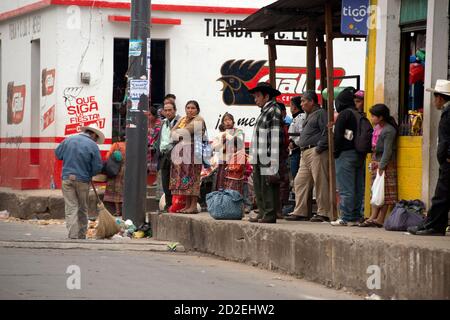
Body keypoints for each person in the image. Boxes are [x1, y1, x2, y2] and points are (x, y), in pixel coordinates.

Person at [408, 80, 450, 236]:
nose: (434, 102)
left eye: (434, 98)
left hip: (448, 162)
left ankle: (433, 226)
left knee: (441, 196)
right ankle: (433, 224)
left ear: (440, 98)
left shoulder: (448, 112)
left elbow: (446, 141)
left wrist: (445, 158)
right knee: (443, 196)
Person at [285, 90, 330, 222]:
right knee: (300, 181)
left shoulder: (321, 113)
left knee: (320, 182)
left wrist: (320, 147)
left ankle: (324, 212)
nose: (302, 104)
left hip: (316, 151)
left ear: (312, 102)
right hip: (305, 152)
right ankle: (301, 211)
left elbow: (327, 131)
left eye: (304, 101)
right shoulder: (309, 115)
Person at [55, 125, 104, 239]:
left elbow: (58, 154)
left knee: (71, 207)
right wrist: (90, 173)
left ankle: (72, 235)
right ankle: (81, 234)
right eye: (96, 138)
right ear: (93, 135)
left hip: (67, 178)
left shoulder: (68, 140)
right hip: (83, 180)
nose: (96, 140)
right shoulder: (93, 145)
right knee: (82, 207)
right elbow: (97, 167)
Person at [248, 82, 283, 224]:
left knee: (267, 185)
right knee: (259, 185)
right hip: (258, 153)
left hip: (267, 154)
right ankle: (262, 212)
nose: (255, 99)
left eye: (257, 96)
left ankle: (269, 214)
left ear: (266, 96)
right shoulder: (264, 111)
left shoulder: (273, 110)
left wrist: (272, 158)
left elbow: (275, 134)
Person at [330, 87, 365, 226]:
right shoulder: (358, 114)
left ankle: (346, 217)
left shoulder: (344, 115)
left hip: (345, 154)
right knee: (357, 187)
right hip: (358, 154)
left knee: (346, 188)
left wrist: (335, 152)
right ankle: (356, 216)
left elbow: (338, 136)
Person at [359, 104, 398, 228]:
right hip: (377, 160)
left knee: (384, 192)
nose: (371, 118)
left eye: (373, 116)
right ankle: (373, 217)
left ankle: (380, 219)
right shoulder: (377, 127)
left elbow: (388, 150)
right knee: (376, 190)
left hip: (385, 163)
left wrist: (381, 165)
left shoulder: (389, 130)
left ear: (381, 117)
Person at [170, 100, 206, 213]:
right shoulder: (183, 119)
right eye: (188, 108)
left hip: (193, 153)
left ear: (197, 110)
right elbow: (172, 133)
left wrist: (178, 133)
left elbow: (184, 132)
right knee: (185, 179)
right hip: (183, 152)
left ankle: (193, 206)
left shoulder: (199, 120)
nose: (190, 110)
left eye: (193, 108)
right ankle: (187, 205)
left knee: (193, 178)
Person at [212, 112, 245, 192]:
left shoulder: (239, 131)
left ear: (233, 122)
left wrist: (228, 136)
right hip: (223, 163)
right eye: (225, 120)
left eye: (229, 120)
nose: (227, 122)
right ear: (223, 123)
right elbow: (214, 148)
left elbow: (240, 142)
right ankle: (221, 202)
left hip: (235, 164)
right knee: (221, 185)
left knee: (233, 186)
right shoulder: (220, 134)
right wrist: (222, 142)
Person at [158, 101, 181, 212]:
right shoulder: (163, 122)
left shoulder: (180, 121)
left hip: (174, 153)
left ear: (175, 110)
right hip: (164, 154)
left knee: (175, 181)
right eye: (165, 110)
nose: (167, 112)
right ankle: (168, 205)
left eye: (170, 110)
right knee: (165, 180)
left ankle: (175, 205)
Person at [103, 132, 126, 216]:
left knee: (117, 191)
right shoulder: (132, 145)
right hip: (128, 171)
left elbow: (107, 156)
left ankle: (118, 211)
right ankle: (125, 211)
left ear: (119, 138)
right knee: (125, 190)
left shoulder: (116, 145)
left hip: (117, 170)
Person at [288, 96, 306, 178]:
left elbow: (302, 134)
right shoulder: (297, 117)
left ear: (295, 107)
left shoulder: (301, 117)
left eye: (290, 105)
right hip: (295, 151)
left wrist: (294, 143)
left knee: (297, 177)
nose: (290, 108)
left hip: (297, 151)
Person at [147, 106, 162, 177]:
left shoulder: (159, 123)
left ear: (154, 115)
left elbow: (155, 136)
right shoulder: (147, 122)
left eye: (150, 115)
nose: (148, 117)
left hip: (156, 147)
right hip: (148, 147)